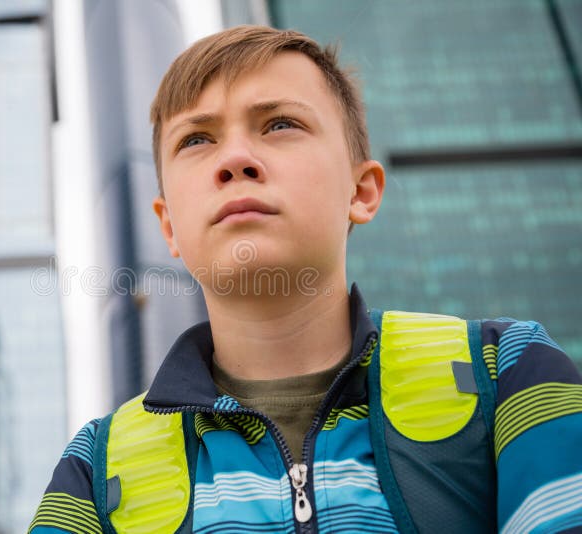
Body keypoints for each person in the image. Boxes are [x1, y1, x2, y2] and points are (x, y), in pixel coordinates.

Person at [28, 25, 582, 533]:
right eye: (197, 139)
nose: (236, 159)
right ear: (169, 226)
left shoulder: (506, 370)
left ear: (361, 192)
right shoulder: (95, 472)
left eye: (280, 124)